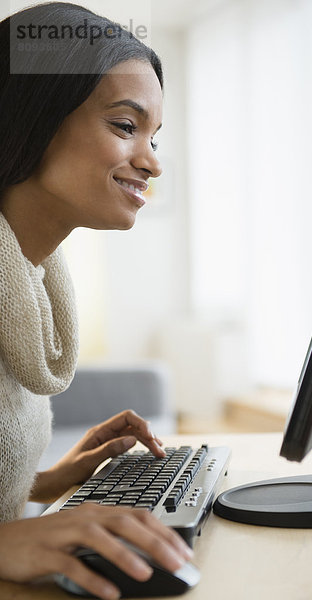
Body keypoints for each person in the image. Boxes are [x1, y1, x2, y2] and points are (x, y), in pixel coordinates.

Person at [0, 3, 192, 599]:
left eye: (154, 136)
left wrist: (47, 480)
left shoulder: (25, 281)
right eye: (124, 126)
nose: (152, 162)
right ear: (31, 119)